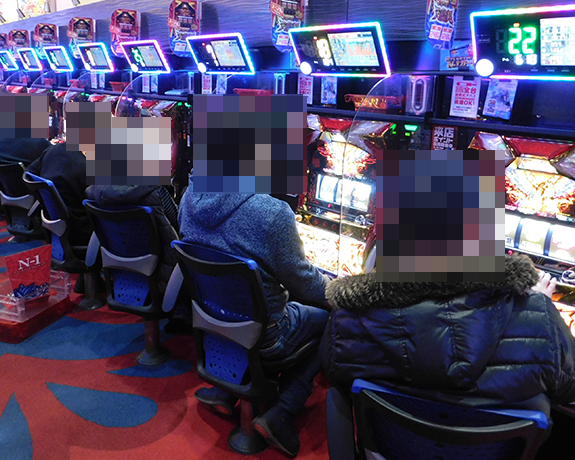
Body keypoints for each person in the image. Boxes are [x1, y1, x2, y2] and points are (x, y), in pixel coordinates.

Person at [178, 173, 330, 457]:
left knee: (250, 303)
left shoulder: (190, 197)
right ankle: (282, 411)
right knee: (329, 319)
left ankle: (229, 389)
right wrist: (338, 288)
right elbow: (305, 283)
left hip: (213, 325)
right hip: (267, 335)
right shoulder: (272, 213)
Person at [321, 254, 575, 422]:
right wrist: (535, 303)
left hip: (391, 449)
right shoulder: (540, 316)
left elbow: (333, 372)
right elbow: (568, 391)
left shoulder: (348, 315)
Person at [84, 184, 180, 293]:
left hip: (116, 266)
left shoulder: (93, 191)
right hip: (159, 270)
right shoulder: (156, 191)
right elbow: (177, 222)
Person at [27, 143, 92, 246]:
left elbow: (29, 174)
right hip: (81, 228)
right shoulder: (84, 166)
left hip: (57, 221)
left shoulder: (52, 150)